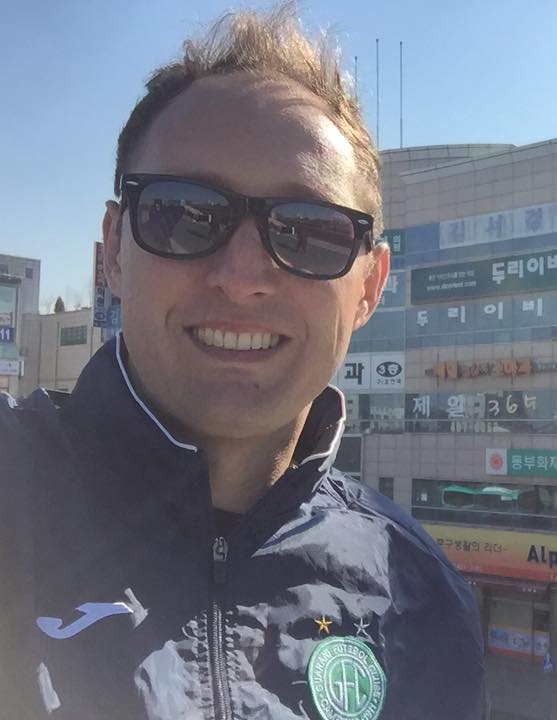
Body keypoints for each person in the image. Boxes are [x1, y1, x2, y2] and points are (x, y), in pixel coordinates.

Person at [0, 7, 487, 720]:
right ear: (112, 250)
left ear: (370, 287)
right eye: (184, 214)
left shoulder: (418, 595)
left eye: (312, 232)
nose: (243, 275)